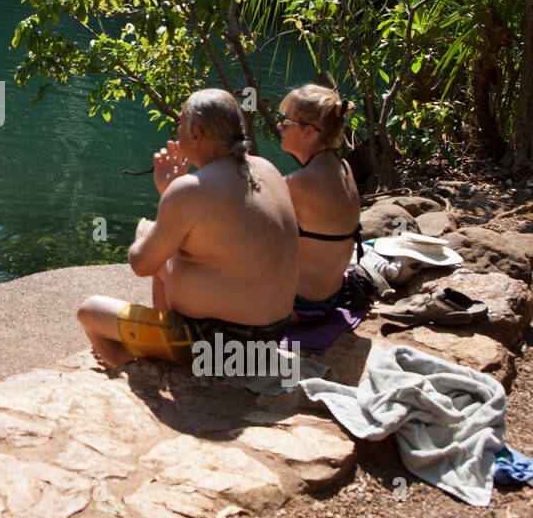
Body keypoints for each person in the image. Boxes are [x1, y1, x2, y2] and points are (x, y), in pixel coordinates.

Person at [77, 89, 300, 368]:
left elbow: (141, 264)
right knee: (172, 253)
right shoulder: (267, 169)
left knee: (90, 311)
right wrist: (169, 193)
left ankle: (133, 369)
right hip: (270, 339)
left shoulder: (190, 190)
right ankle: (156, 350)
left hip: (217, 347)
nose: (177, 130)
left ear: (196, 133)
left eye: (180, 123)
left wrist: (143, 235)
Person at [277, 83, 363, 308]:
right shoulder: (343, 167)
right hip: (332, 295)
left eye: (286, 122)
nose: (279, 126)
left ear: (308, 131)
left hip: (302, 305)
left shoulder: (298, 183)